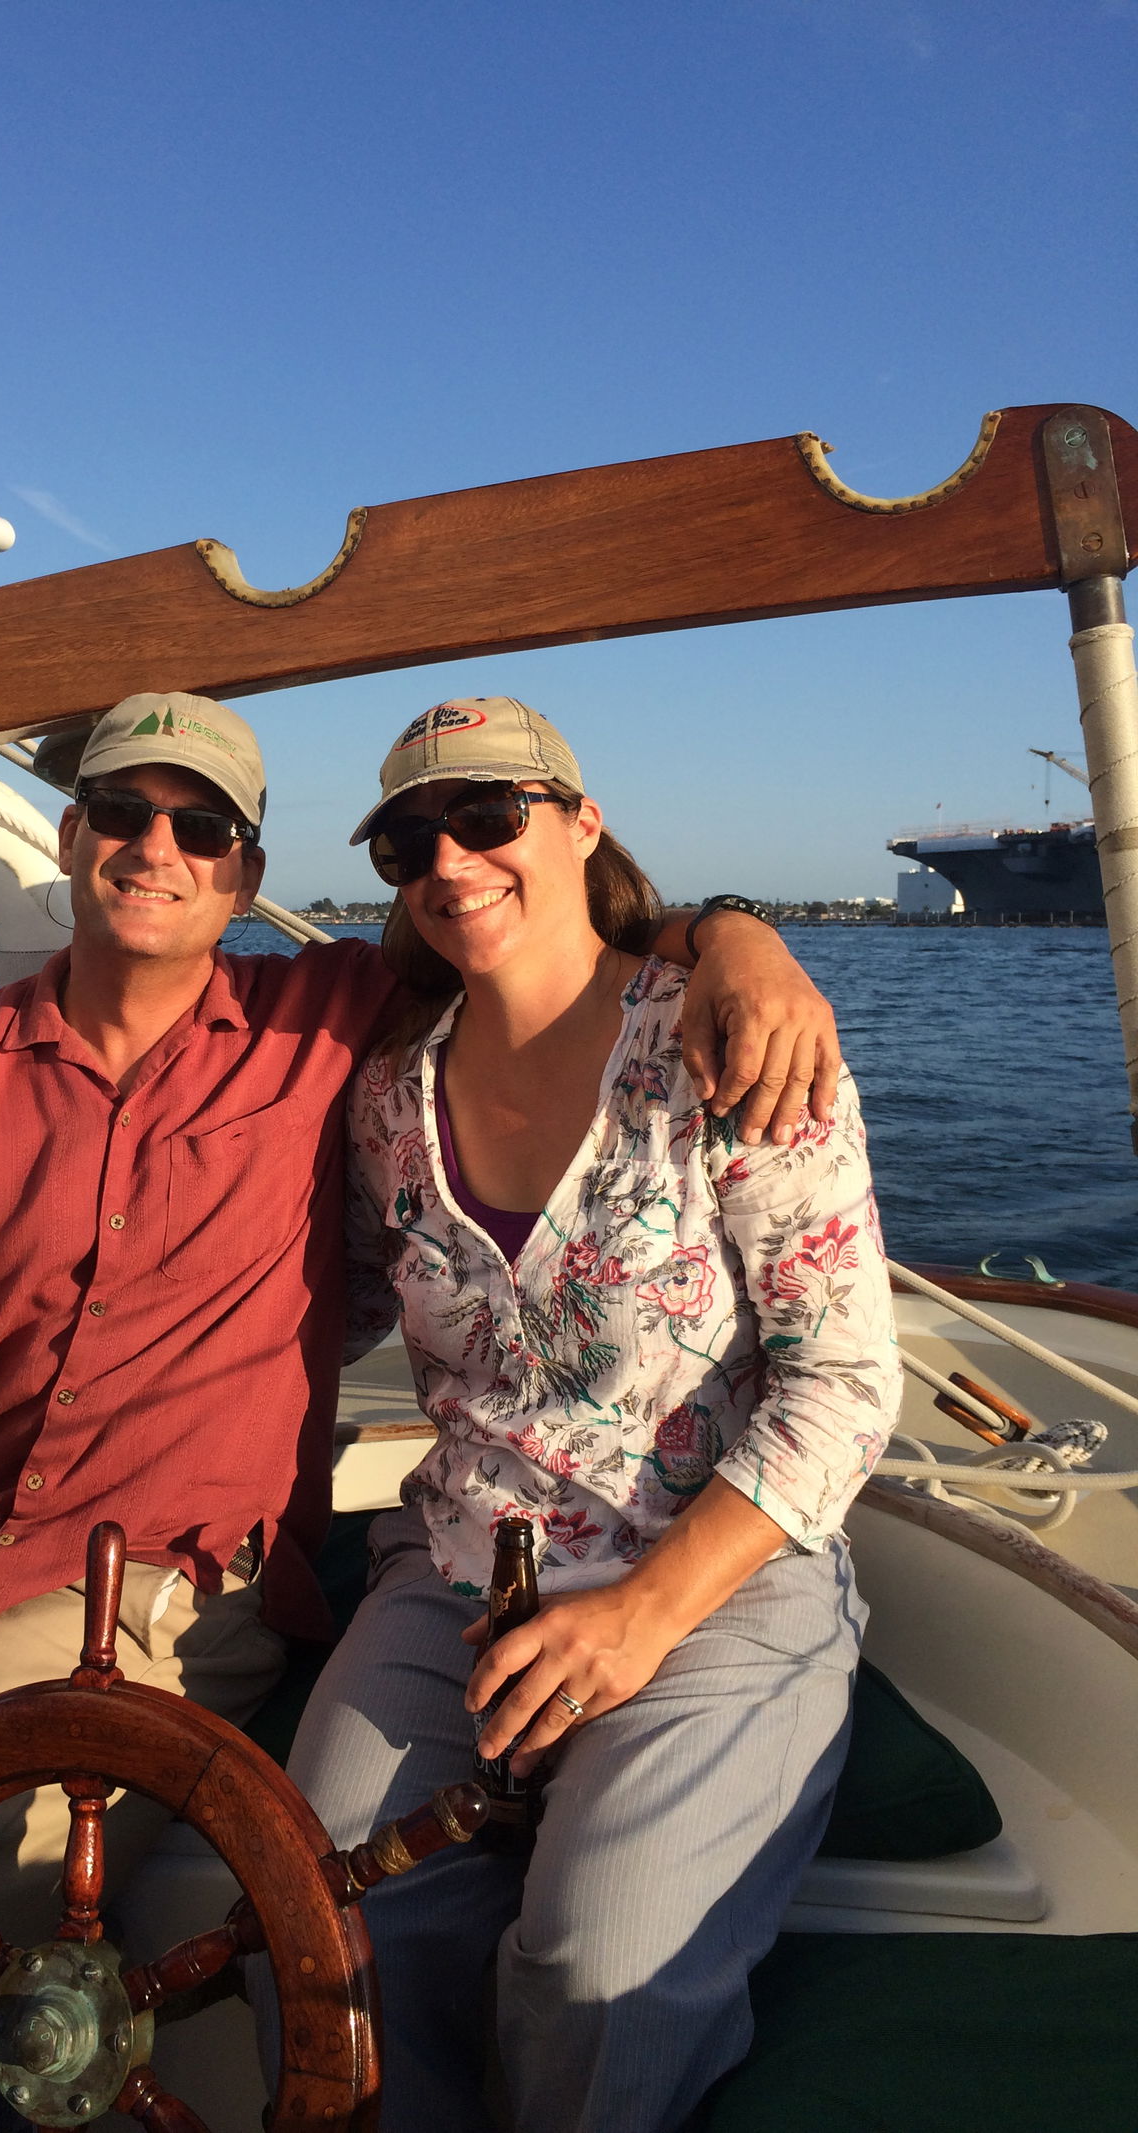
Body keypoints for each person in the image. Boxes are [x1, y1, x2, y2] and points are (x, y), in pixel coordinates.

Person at [0, 691, 842, 2130]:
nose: (158, 846)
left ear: (245, 870)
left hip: (148, 1587)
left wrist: (740, 937)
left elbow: (550, 941)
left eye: (203, 826)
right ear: (68, 832)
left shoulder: (329, 1024)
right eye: (124, 810)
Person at [278, 697, 901, 2133]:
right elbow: (324, 1303)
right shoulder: (387, 1099)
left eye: (488, 815)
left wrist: (640, 1616)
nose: (450, 860)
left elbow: (847, 1380)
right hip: (456, 1577)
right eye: (409, 841)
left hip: (712, 1577)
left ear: (579, 822)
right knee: (318, 1924)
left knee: (599, 1969)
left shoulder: (726, 1043)